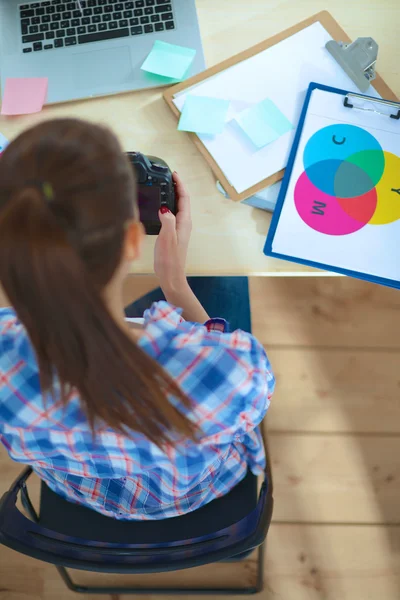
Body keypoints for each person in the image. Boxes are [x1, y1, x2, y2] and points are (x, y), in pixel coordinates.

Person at [0, 119, 275, 521]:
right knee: (225, 278)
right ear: (133, 240)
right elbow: (247, 401)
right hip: (195, 493)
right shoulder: (234, 370)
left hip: (84, 493)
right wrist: (176, 287)